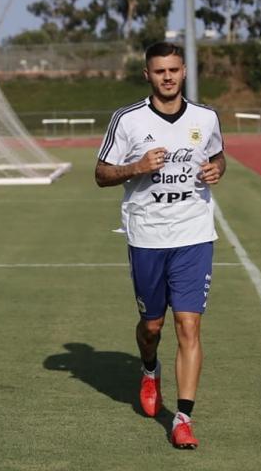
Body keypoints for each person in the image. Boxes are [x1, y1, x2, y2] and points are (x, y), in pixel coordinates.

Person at [95, 42, 225, 449]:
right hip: (147, 236)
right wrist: (137, 167)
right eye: (159, 71)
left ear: (184, 71)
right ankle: (149, 369)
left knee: (189, 324)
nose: (167, 77)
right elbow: (100, 174)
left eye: (173, 70)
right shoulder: (128, 120)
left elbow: (219, 157)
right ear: (147, 75)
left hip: (194, 235)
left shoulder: (206, 117)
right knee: (152, 326)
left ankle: (182, 418)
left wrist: (215, 170)